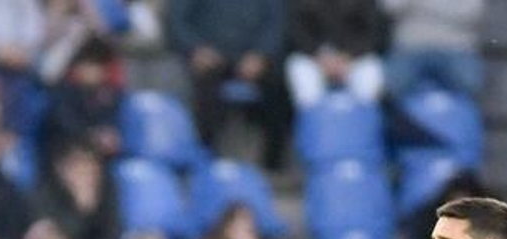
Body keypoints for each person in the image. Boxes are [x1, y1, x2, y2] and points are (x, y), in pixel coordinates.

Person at [164, 0, 289, 168]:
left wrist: (261, 54)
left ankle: (272, 165)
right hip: (209, 59)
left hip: (254, 60)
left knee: (278, 92)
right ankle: (206, 160)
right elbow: (177, 21)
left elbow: (275, 23)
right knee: (205, 93)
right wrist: (195, 49)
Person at [284, 0, 385, 109]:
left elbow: (373, 31)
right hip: (314, 57)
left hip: (354, 57)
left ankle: (363, 122)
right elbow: (296, 31)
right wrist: (319, 56)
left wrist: (348, 56)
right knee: (299, 69)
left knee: (370, 71)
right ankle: (315, 122)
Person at [379, 0, 486, 99]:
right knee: (393, 85)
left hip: (457, 47)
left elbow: (471, 12)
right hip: (410, 46)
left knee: (469, 82)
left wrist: (418, 7)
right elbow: (390, 7)